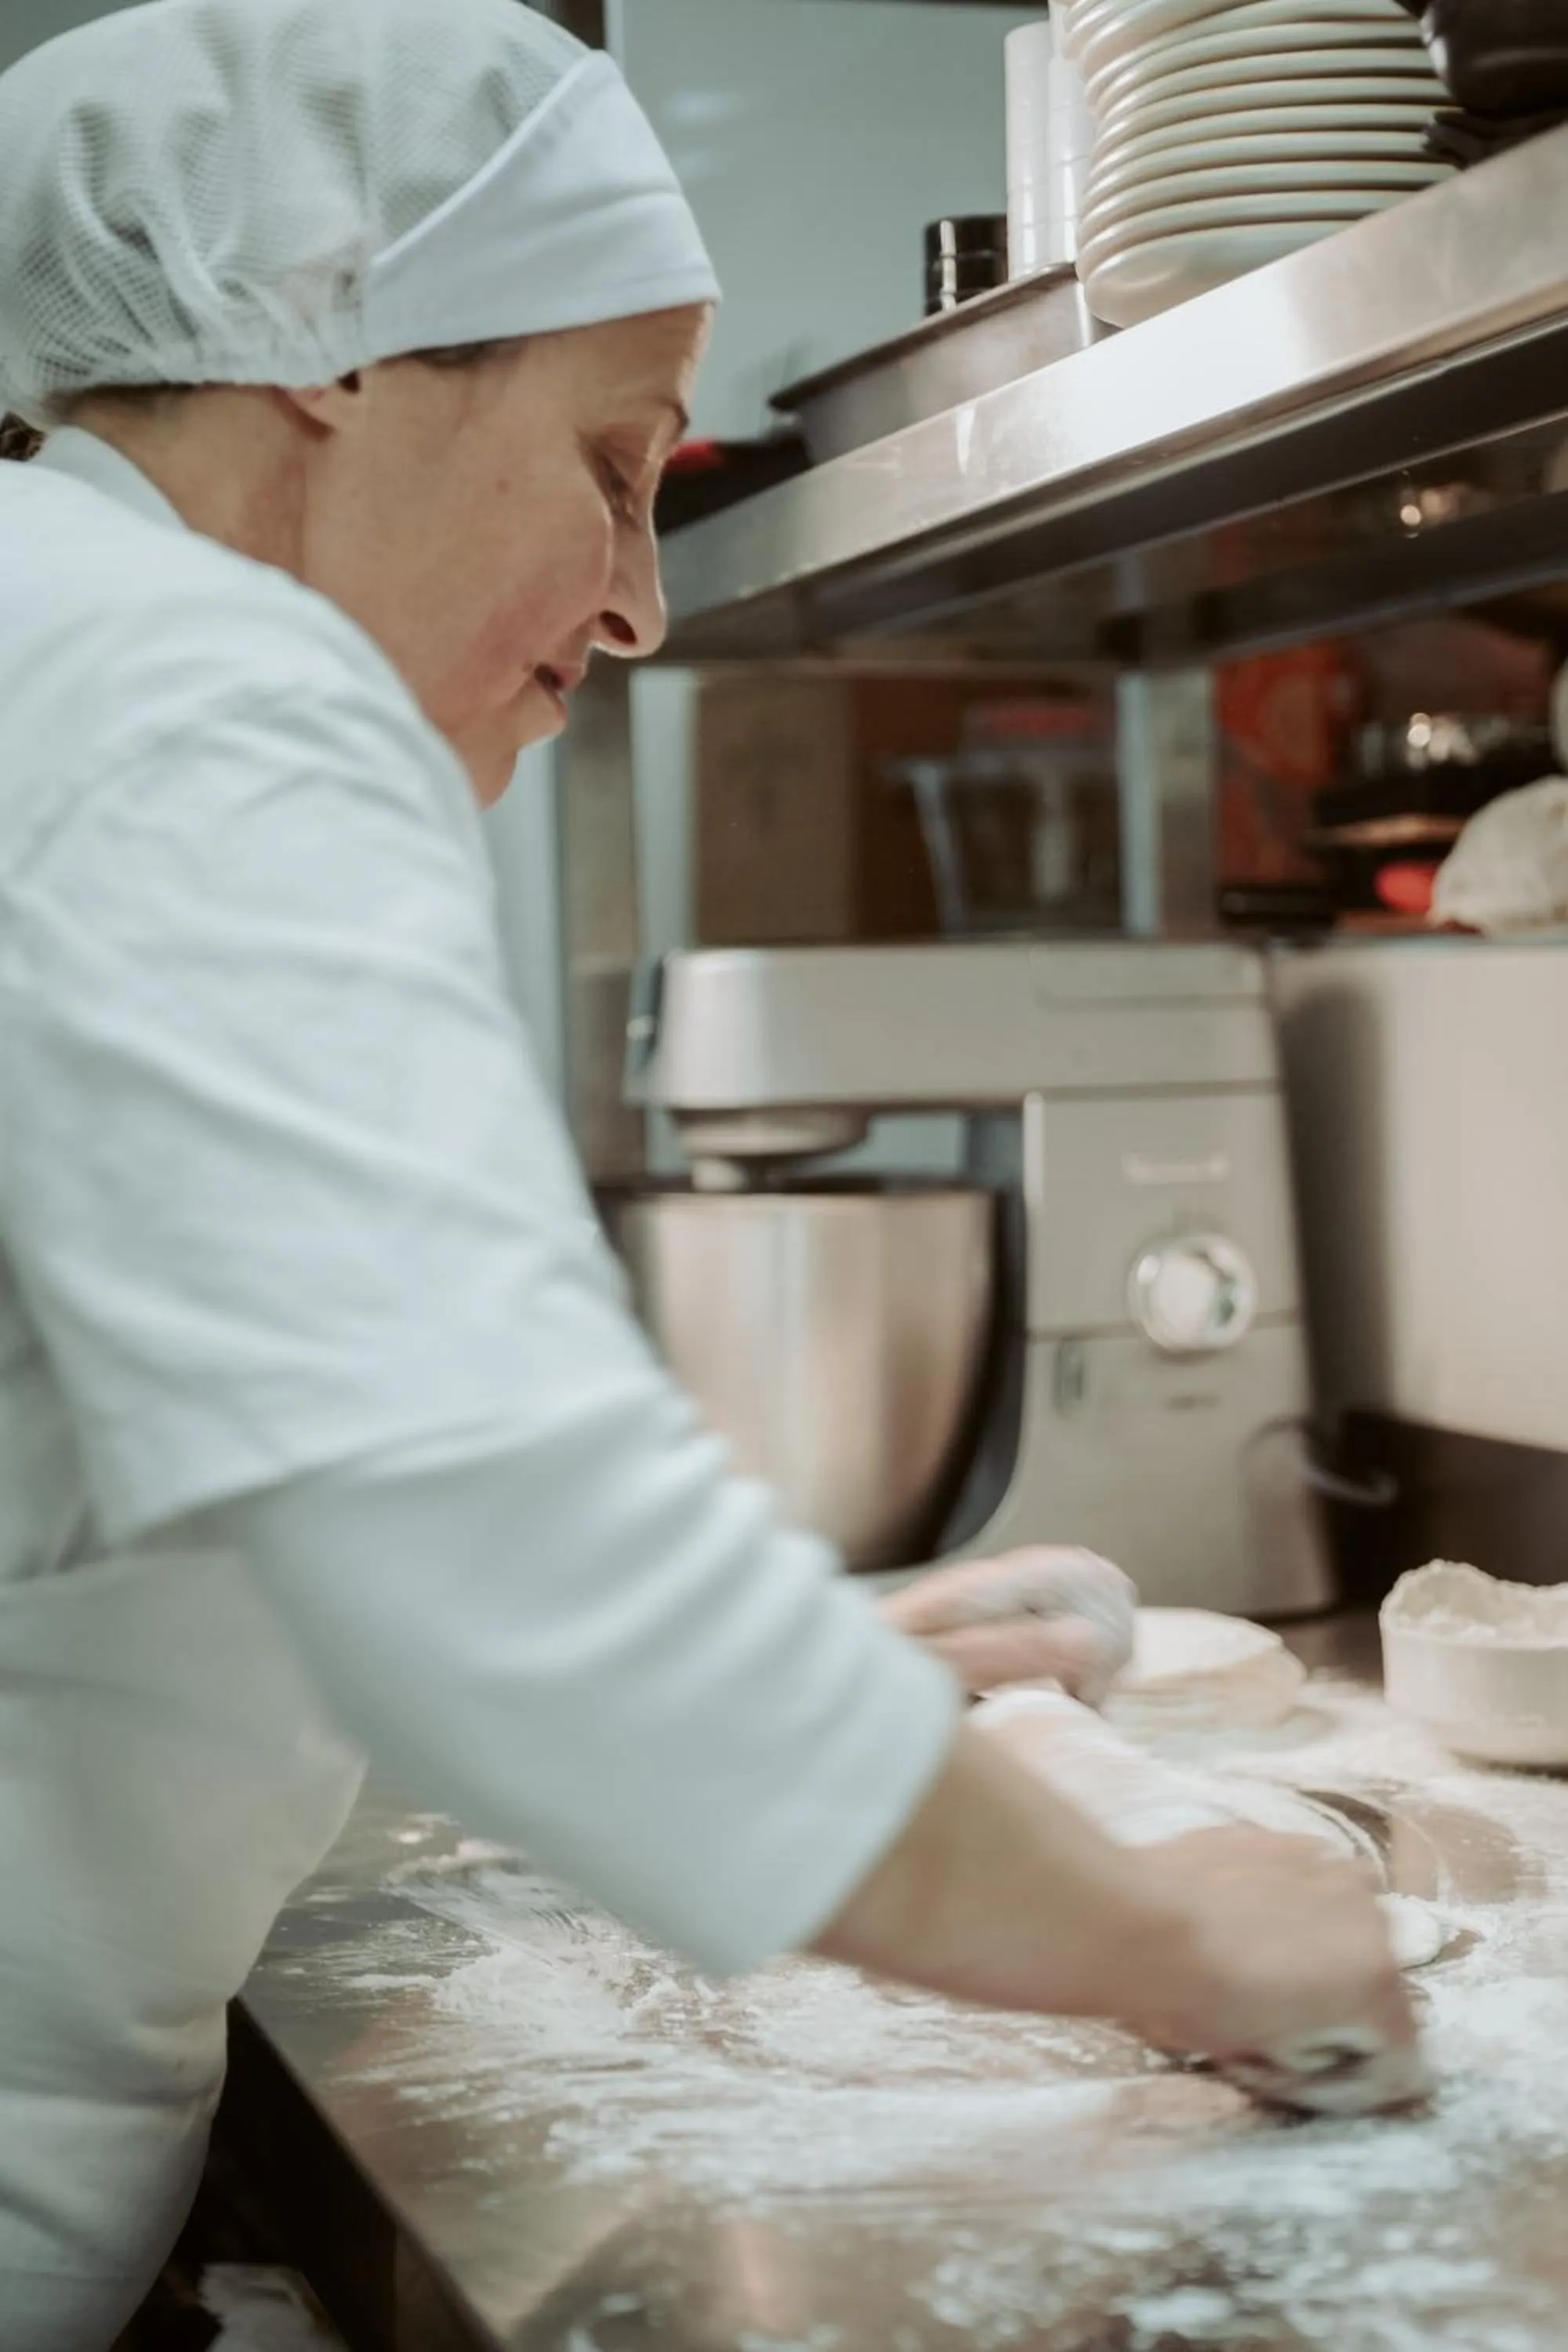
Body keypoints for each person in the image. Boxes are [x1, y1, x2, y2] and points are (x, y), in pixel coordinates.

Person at [0, 2, 1415, 2343]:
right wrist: (1186, 1935)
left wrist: (790, 1680)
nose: (645, 602)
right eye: (616, 462)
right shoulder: (187, 683)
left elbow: (169, 1512)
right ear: (337, 358)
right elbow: (466, 1515)